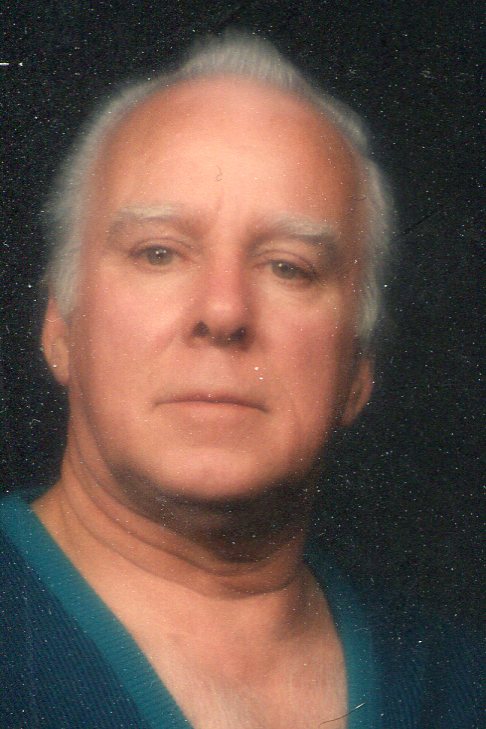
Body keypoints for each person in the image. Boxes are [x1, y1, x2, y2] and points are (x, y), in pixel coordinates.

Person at [0, 33, 481, 729]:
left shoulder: (461, 686)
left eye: (289, 267)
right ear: (60, 327)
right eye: (159, 253)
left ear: (359, 366)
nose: (224, 311)